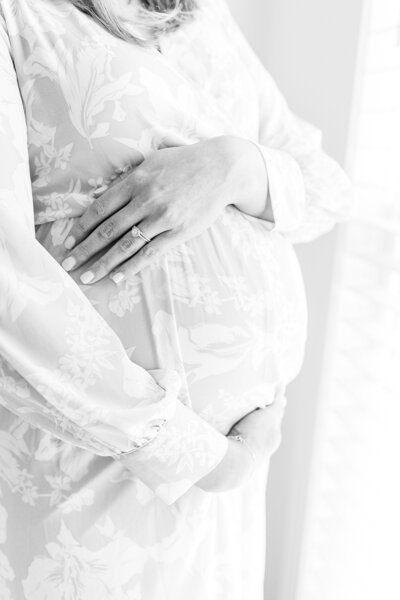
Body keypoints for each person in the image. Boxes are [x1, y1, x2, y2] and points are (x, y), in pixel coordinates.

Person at [0, 0, 353, 598]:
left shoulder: (196, 14)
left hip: (228, 488)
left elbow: (326, 188)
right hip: (91, 470)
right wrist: (196, 456)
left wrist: (236, 168)